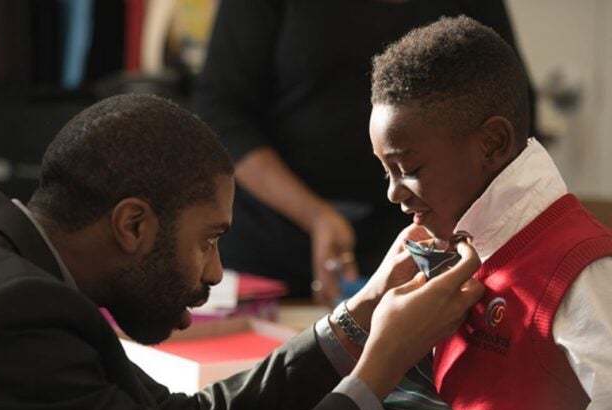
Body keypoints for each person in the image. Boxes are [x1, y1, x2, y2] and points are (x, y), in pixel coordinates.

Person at [0, 93, 484, 410]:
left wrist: (358, 317)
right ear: (133, 225)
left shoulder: (1, 263)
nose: (213, 271)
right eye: (208, 239)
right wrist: (376, 373)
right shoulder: (11, 324)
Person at [368, 16, 612, 410]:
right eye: (386, 172)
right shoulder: (443, 251)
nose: (392, 193)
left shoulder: (586, 270)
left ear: (493, 144)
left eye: (409, 168)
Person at [192, 0, 533, 305]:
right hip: (270, 251)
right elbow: (221, 113)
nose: (394, 186)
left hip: (416, 243)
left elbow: (509, 100)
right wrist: (315, 216)